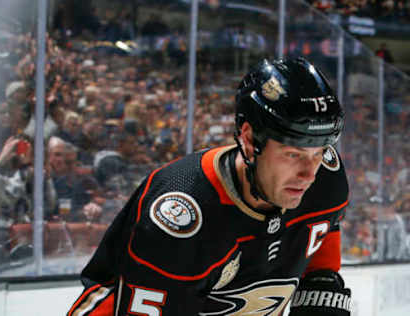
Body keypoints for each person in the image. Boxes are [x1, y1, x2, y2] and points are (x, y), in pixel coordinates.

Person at [67, 57, 352, 316]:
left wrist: (321, 283)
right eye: (293, 154)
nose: (308, 174)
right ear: (250, 141)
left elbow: (322, 237)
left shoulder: (326, 179)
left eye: (319, 152)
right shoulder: (180, 216)